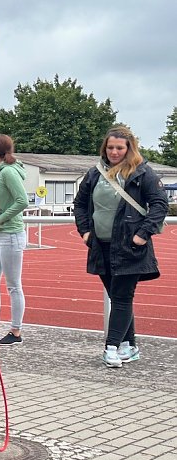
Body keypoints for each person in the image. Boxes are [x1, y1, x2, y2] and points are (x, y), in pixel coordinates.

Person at [73, 126, 168, 368]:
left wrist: (142, 235)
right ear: (105, 148)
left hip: (129, 247)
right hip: (101, 246)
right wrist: (85, 232)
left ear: (129, 148)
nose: (114, 152)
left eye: (120, 148)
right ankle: (130, 346)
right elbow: (80, 203)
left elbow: (159, 204)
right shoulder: (95, 173)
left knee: (123, 297)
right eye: (110, 147)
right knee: (118, 297)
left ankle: (112, 347)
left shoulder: (142, 172)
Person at [0, 134, 29, 346]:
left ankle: (16, 331)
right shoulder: (0, 170)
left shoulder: (9, 172)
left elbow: (22, 201)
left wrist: (0, 218)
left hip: (11, 234)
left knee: (13, 285)